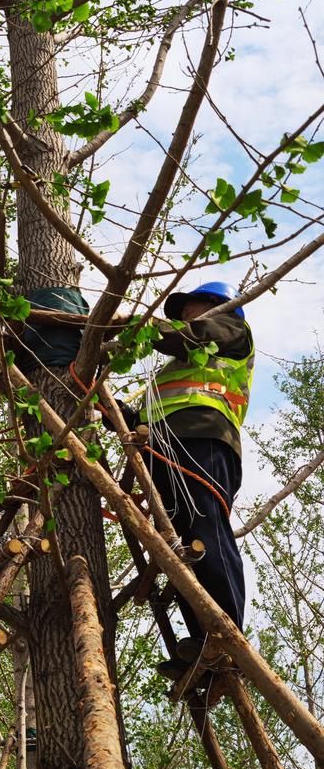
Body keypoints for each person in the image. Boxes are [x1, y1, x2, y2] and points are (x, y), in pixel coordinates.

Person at [135, 281, 253, 679]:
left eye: (194, 306)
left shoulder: (231, 331)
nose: (186, 314)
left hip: (203, 435)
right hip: (164, 446)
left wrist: (135, 326)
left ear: (219, 306)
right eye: (183, 310)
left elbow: (195, 336)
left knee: (205, 527)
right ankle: (203, 636)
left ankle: (227, 634)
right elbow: (149, 412)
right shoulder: (177, 365)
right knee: (178, 544)